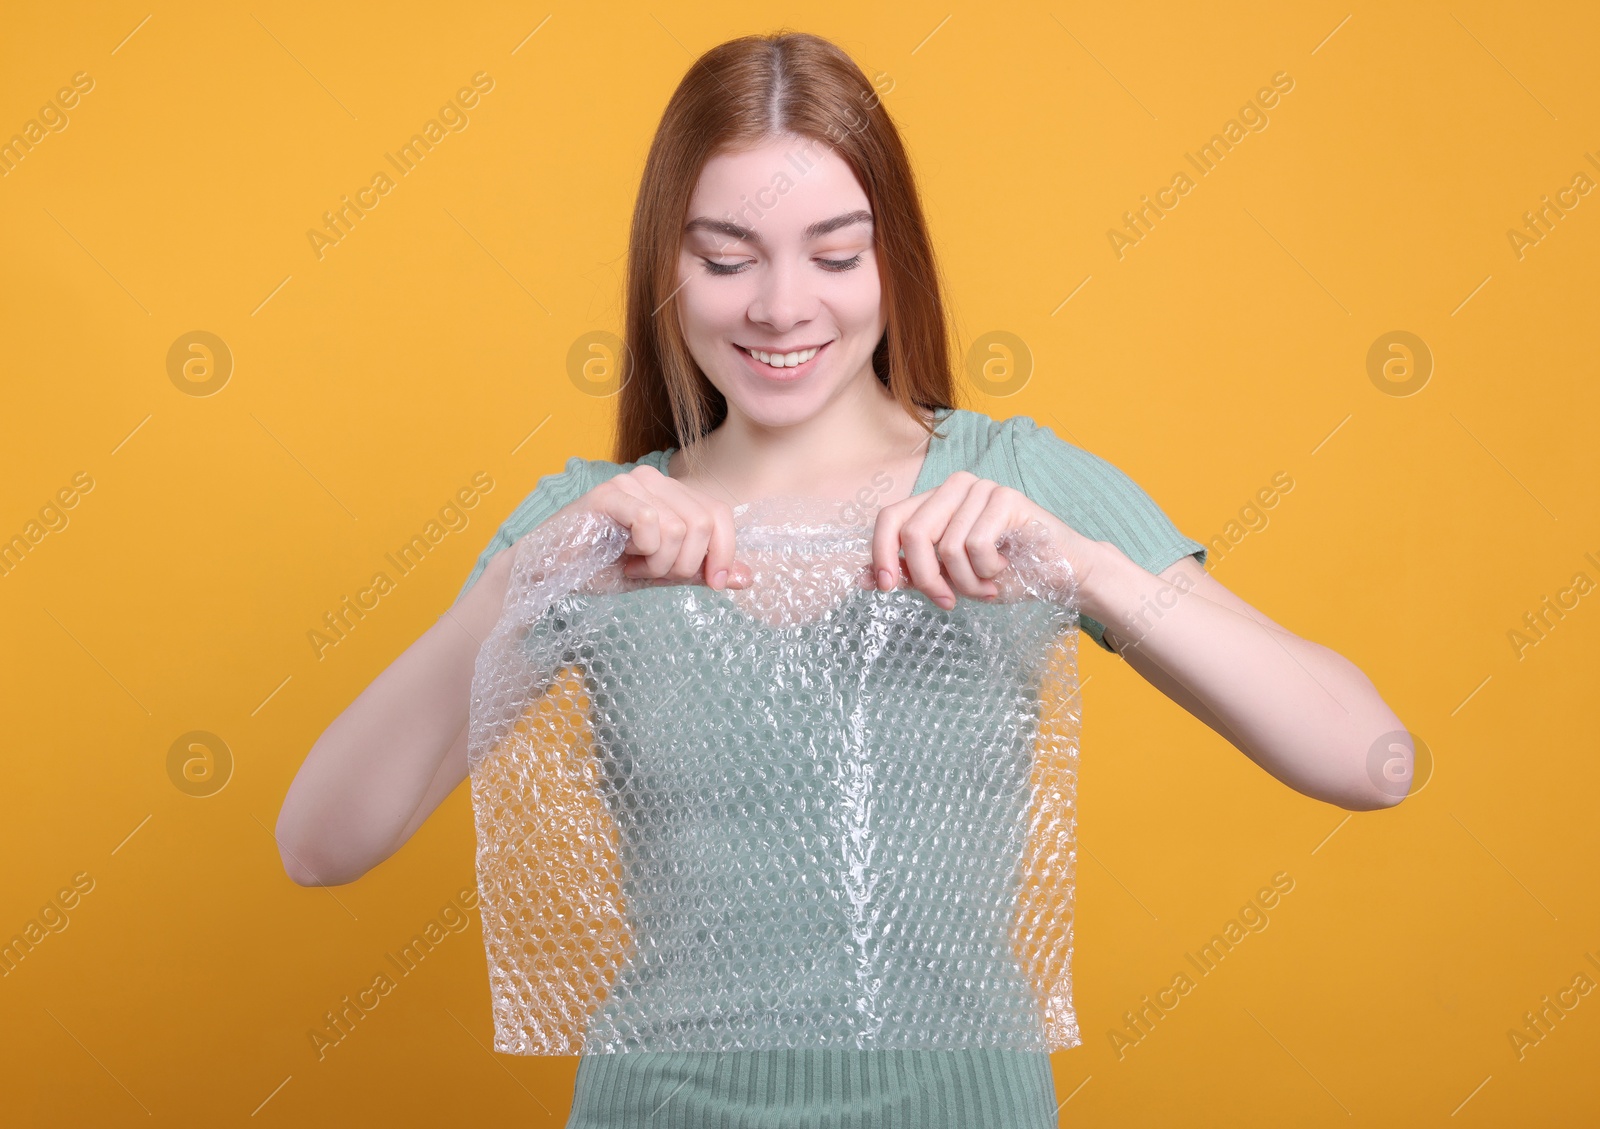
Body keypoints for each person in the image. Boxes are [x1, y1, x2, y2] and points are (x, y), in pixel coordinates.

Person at [276, 30, 1411, 1128]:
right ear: (665, 266)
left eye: (833, 254)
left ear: (891, 259)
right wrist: (528, 576)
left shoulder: (1012, 481)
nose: (780, 307)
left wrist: (1084, 569)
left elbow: (1369, 757)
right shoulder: (597, 528)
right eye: (726, 259)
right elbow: (319, 844)